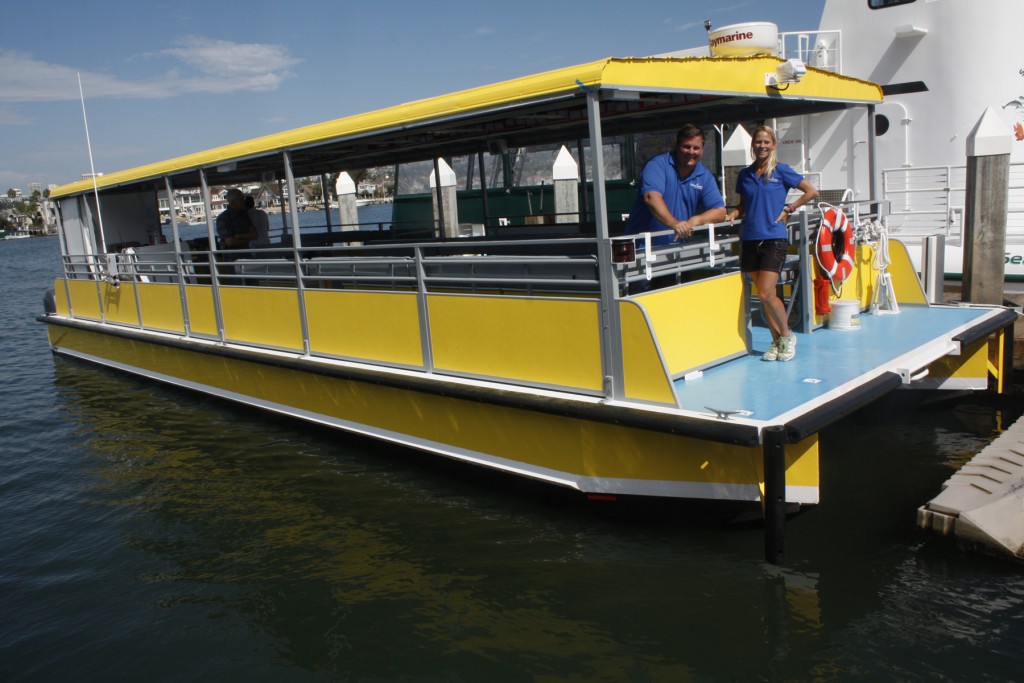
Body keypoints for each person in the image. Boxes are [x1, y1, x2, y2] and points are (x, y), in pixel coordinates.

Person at [727, 125, 818, 362]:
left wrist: (789, 209)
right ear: (752, 145)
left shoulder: (781, 171)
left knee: (767, 293)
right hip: (750, 239)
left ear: (773, 145)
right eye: (758, 142)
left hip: (773, 238)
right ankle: (776, 342)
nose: (762, 146)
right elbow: (744, 203)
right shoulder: (745, 175)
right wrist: (734, 213)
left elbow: (810, 192)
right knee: (764, 294)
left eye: (767, 142)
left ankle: (787, 336)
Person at [624, 125, 726, 291]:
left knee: (672, 301)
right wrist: (674, 223)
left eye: (696, 148)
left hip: (677, 252)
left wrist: (696, 220)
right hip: (642, 251)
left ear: (702, 149)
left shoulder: (704, 175)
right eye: (686, 146)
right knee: (640, 303)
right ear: (677, 146)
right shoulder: (658, 165)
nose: (691, 152)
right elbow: (651, 197)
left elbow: (720, 212)